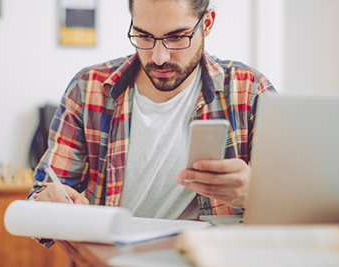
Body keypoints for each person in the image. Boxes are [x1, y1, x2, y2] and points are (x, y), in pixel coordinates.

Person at [29, 0, 275, 248]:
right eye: (143, 36)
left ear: (207, 23)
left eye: (177, 37)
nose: (159, 58)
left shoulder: (249, 91)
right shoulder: (87, 88)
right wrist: (48, 207)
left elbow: (303, 212)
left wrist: (253, 196)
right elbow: (38, 202)